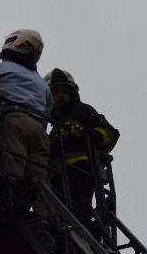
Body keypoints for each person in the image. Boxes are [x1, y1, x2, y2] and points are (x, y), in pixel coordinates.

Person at [0, 29, 53, 213]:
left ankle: (9, 205)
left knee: (13, 165)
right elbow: (49, 110)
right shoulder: (42, 83)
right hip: (39, 131)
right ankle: (47, 218)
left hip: (14, 120)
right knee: (40, 178)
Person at [43, 68, 119, 223]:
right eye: (56, 92)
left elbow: (111, 135)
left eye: (64, 91)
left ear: (72, 93)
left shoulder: (84, 111)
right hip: (55, 181)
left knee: (77, 214)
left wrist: (84, 132)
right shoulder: (52, 128)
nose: (61, 95)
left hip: (79, 172)